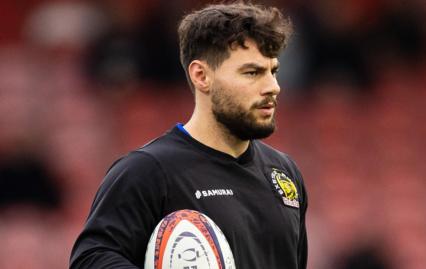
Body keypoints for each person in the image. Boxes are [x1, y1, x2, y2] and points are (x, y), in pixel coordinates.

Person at [70, 2, 308, 268]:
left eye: (273, 71)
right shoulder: (147, 171)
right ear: (201, 76)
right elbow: (89, 261)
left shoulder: (285, 174)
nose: (272, 87)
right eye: (252, 73)